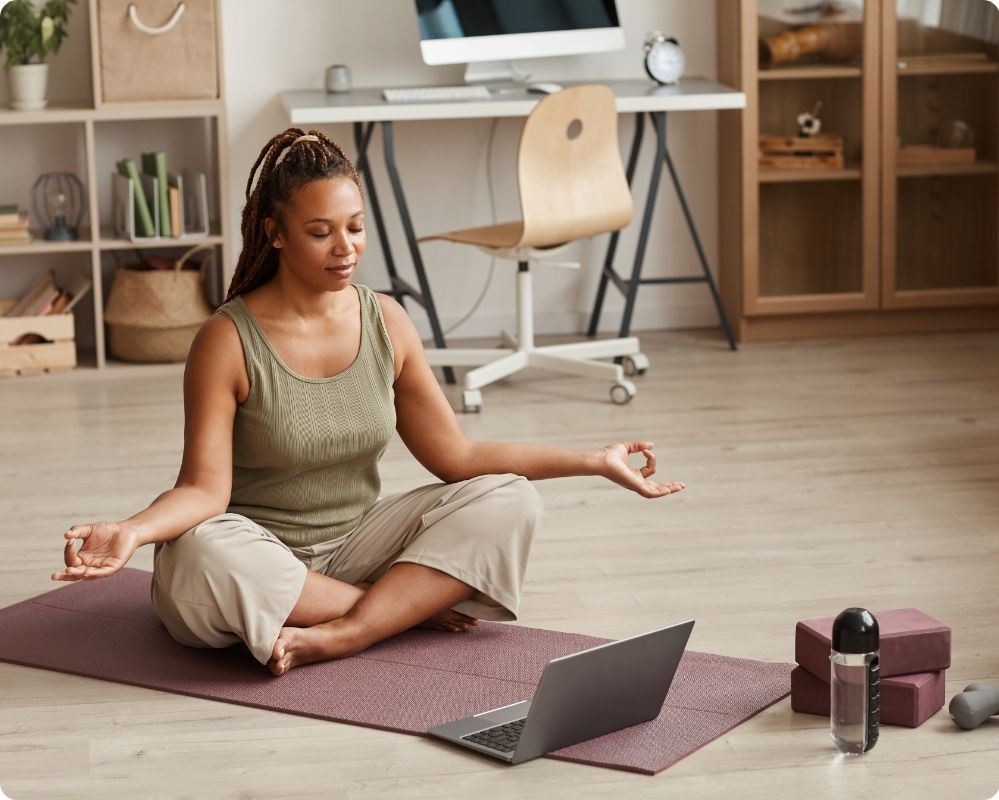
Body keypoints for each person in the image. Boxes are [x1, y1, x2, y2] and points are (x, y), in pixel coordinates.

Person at [52, 128, 685, 677]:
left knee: (510, 495)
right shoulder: (227, 339)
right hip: (254, 548)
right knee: (197, 555)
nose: (345, 248)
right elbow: (204, 493)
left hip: (357, 538)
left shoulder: (387, 321)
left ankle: (349, 631)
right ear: (273, 233)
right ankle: (396, 607)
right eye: (320, 232)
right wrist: (132, 531)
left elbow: (457, 455)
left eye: (355, 229)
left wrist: (594, 461)